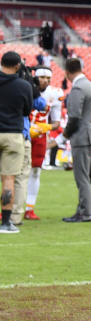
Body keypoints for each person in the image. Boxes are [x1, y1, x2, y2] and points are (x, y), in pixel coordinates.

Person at [62, 58, 91, 223]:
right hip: (90, 133)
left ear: (67, 72)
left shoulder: (77, 88)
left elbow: (75, 116)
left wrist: (65, 133)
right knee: (84, 175)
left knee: (81, 177)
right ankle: (83, 210)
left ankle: (85, 212)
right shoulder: (90, 85)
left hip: (82, 135)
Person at [0, 52, 34, 233]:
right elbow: (27, 110)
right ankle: (6, 222)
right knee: (9, 178)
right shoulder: (24, 86)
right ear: (18, 66)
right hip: (13, 134)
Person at [23, 67, 62, 220]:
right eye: (42, 77)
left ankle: (29, 208)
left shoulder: (55, 93)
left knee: (35, 171)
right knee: (14, 171)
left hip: (40, 136)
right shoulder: (25, 88)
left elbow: (57, 122)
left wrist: (46, 127)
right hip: (23, 132)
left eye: (48, 78)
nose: (45, 80)